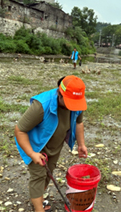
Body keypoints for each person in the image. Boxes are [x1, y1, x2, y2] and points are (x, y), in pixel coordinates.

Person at [14, 75, 88, 212]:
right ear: (60, 93)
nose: (73, 107)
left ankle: (38, 199)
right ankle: (38, 209)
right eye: (69, 103)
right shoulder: (41, 106)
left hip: (55, 146)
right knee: (38, 177)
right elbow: (20, 130)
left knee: (49, 174)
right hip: (36, 147)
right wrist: (32, 154)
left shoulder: (77, 101)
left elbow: (79, 122)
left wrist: (81, 144)